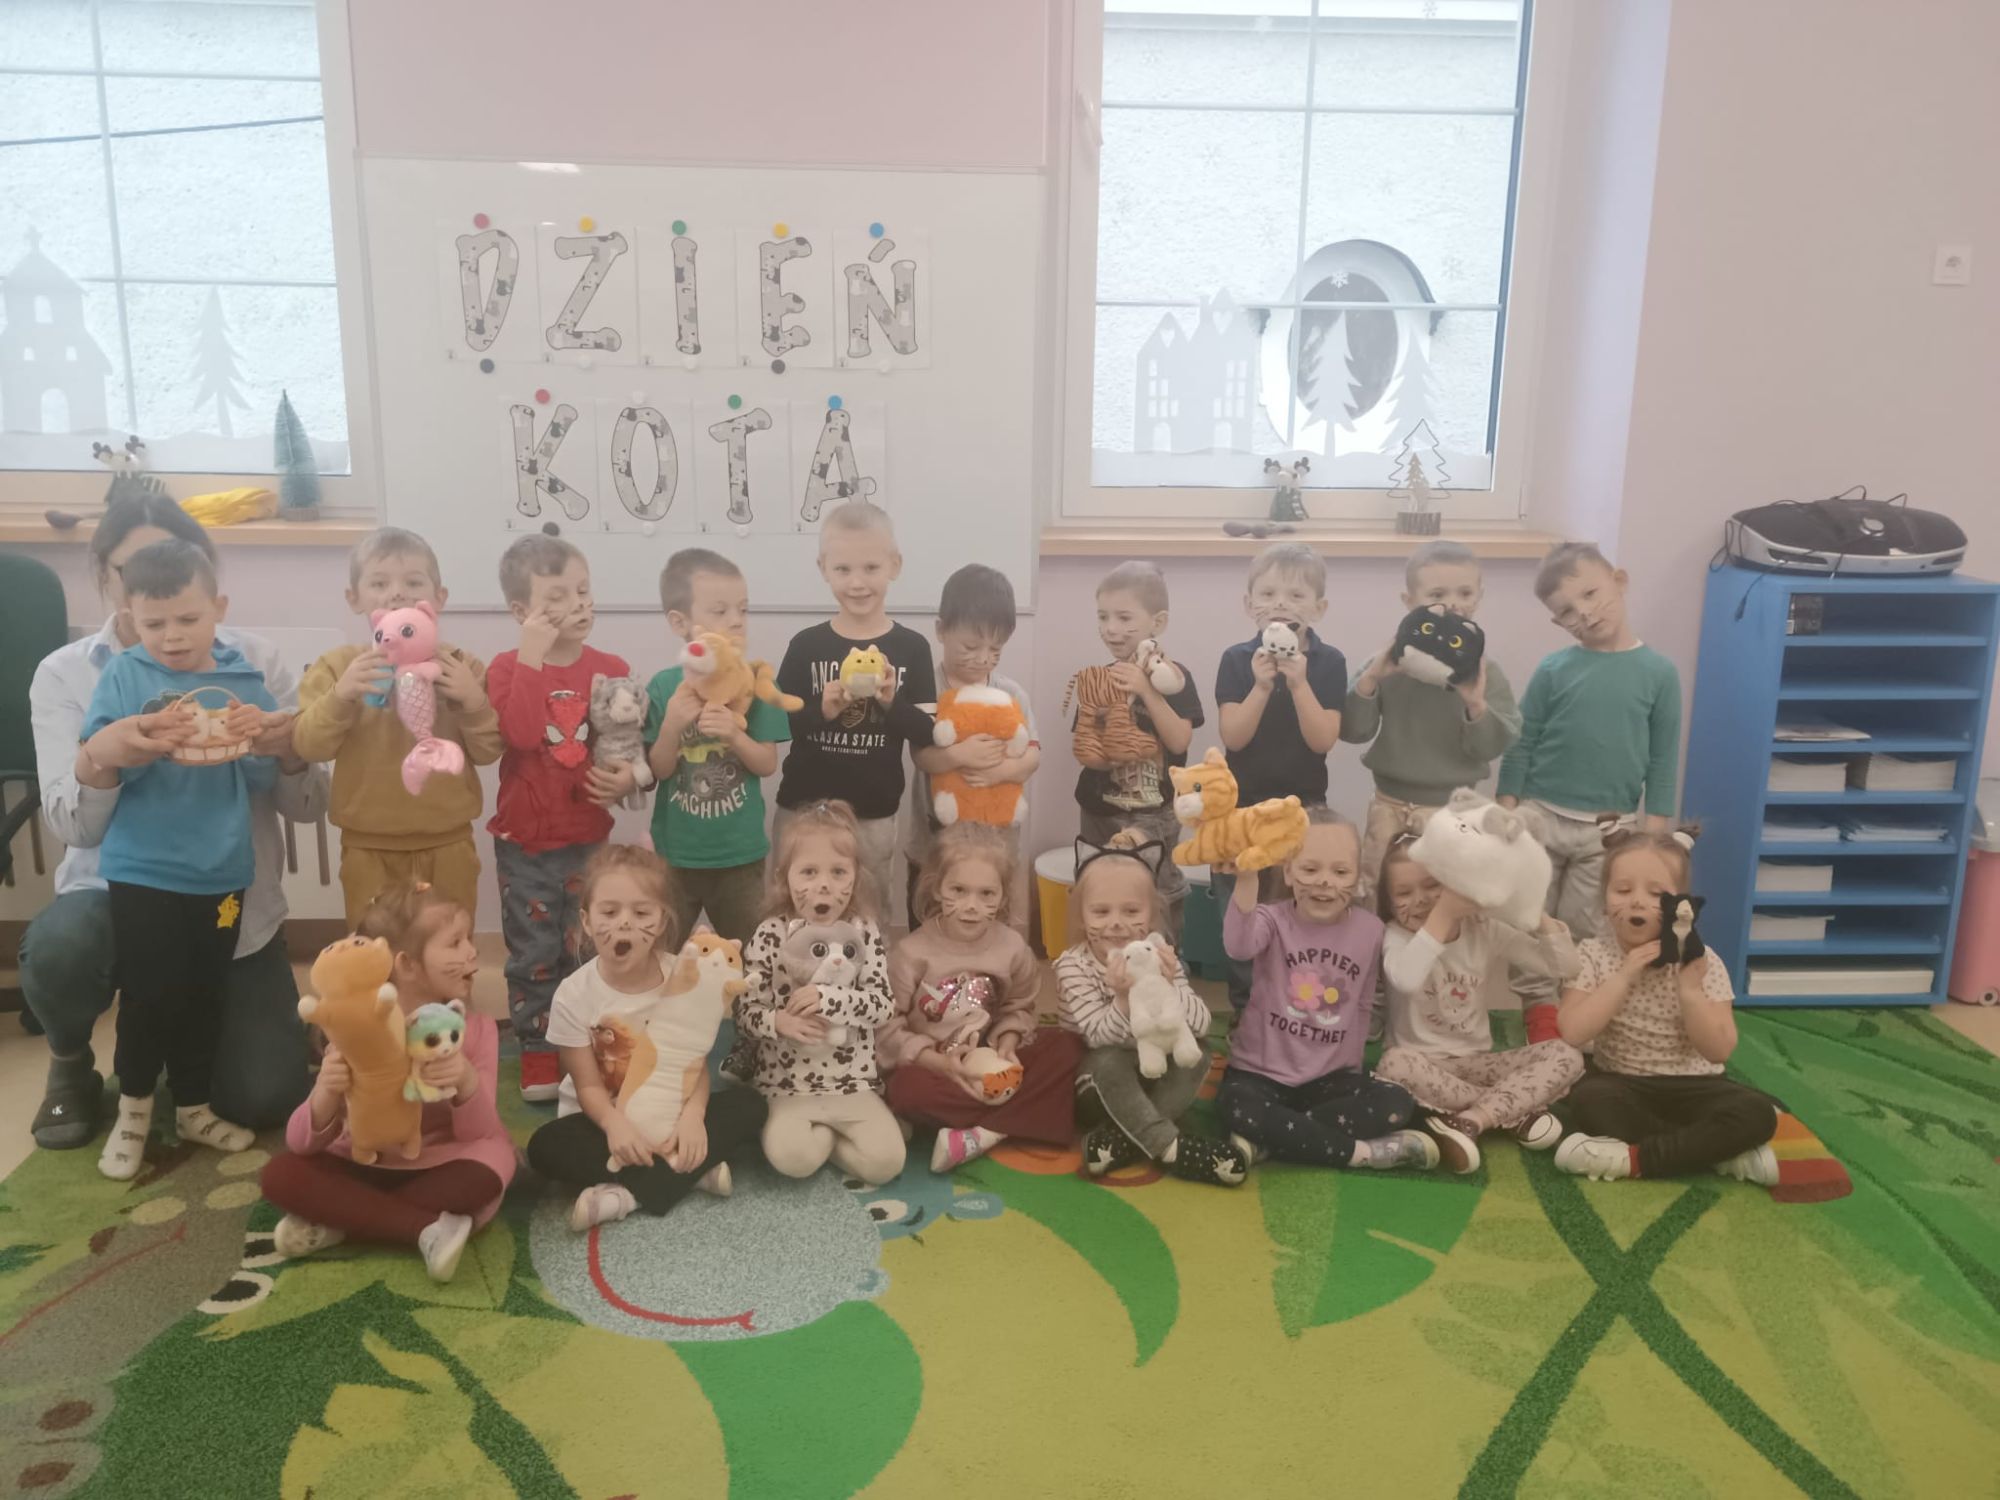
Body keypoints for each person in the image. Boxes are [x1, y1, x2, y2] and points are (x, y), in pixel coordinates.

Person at [22, 494, 320, 1151]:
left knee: (264, 1094)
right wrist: (101, 758)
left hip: (224, 890)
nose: (171, 626)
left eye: (184, 599)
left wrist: (286, 747)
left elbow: (302, 802)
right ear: (112, 583)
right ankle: (73, 1062)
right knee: (66, 951)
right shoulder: (78, 674)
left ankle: (191, 1070)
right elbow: (76, 828)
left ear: (212, 592)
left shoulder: (250, 667)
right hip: (120, 885)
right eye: (137, 573)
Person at [78, 539, 295, 1179]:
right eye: (154, 623)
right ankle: (134, 1111)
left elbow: (261, 781)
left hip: (222, 873)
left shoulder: (242, 681)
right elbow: (97, 757)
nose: (171, 637)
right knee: (148, 995)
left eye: (188, 619)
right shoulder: (124, 676)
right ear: (129, 618)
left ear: (218, 609)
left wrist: (264, 740)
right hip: (142, 871)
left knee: (205, 992)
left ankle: (194, 1107)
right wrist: (129, 745)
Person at [260, 883, 514, 1281]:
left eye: (468, 939)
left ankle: (344, 1221)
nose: (472, 952)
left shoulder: (475, 1029)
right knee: (281, 1175)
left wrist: (465, 1081)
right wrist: (326, 1091)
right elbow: (300, 1142)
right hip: (362, 1159)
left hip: (442, 1162)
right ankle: (422, 1228)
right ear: (407, 965)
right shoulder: (354, 1031)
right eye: (455, 942)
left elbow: (480, 1133)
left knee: (492, 1170)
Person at [526, 845, 769, 1230]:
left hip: (672, 1113)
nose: (624, 923)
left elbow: (694, 1063)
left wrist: (693, 1117)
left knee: (751, 1105)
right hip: (603, 1124)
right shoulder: (573, 995)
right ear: (587, 921)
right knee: (544, 1147)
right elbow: (587, 1086)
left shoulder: (683, 977)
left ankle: (628, 1192)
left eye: (641, 913)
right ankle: (684, 1173)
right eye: (610, 912)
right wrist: (615, 1126)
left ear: (660, 922)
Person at [292, 526, 502, 928]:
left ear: (439, 598)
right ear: (354, 598)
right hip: (367, 847)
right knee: (374, 953)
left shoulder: (462, 666)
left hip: (449, 843)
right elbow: (308, 746)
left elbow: (489, 751)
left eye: (413, 582)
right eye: (379, 583)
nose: (397, 594)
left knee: (449, 947)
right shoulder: (337, 667)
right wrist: (341, 695)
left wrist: (472, 701)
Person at [485, 536, 633, 1101]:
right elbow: (522, 734)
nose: (578, 605)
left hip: (589, 840)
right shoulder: (507, 668)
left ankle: (588, 1043)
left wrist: (626, 779)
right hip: (525, 844)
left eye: (583, 590)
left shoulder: (611, 669)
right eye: (557, 598)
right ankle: (539, 1048)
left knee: (588, 949)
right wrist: (531, 655)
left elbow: (625, 744)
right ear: (521, 611)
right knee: (533, 953)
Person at [1551, 828, 1781, 1185]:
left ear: (1681, 904)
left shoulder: (1704, 961)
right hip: (1623, 1083)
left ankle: (1637, 1159)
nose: (1637, 902)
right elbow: (1572, 1032)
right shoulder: (1592, 955)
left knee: (1757, 1113)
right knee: (1587, 1101)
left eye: (1657, 894)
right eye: (1622, 890)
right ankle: (1711, 1152)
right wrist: (1624, 976)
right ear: (1604, 899)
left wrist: (1690, 990)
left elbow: (1718, 1051)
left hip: (1698, 1086)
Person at [1216, 810, 1438, 1172]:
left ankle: (1272, 1138)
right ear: (1288, 872)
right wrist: (1246, 877)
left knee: (1396, 1103)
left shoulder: (1371, 931)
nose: (1324, 882)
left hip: (1330, 1081)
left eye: (1340, 872)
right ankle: (1362, 1154)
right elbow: (1238, 946)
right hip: (1259, 1075)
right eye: (1309, 869)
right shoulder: (1271, 919)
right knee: (1234, 1106)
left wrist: (1351, 1065)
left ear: (1358, 877)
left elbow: (1364, 1002)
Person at [1371, 835, 1584, 1173]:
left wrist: (1532, 911)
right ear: (1388, 900)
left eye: (1432, 886)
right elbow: (1406, 978)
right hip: (1420, 1065)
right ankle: (1514, 1112)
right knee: (1392, 1064)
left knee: (1566, 1055)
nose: (1421, 900)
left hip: (1477, 1064)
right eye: (1403, 893)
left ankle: (1472, 1119)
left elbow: (1565, 967)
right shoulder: (1394, 935)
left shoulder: (1484, 929)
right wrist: (1444, 913)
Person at [884, 825, 1081, 1171]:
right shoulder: (910, 953)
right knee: (904, 1091)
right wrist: (938, 1062)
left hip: (997, 1064)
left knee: (1067, 1047)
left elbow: (1020, 1007)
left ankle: (984, 1133)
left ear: (1003, 896)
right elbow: (886, 1029)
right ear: (936, 887)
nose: (971, 906)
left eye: (987, 894)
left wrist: (1008, 1041)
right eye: (958, 890)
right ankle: (1018, 1119)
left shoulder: (1013, 948)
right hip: (937, 1070)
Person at [1055, 837, 1246, 1185]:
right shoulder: (1073, 965)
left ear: (1153, 915)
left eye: (1132, 912)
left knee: (1199, 1053)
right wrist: (1122, 997)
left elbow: (1201, 1025)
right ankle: (1172, 1149)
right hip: (1096, 1083)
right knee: (1110, 1061)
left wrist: (1171, 984)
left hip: (1153, 1076)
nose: (1116, 923)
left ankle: (1123, 1139)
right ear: (1081, 916)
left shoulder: (1158, 956)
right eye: (1101, 912)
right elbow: (1098, 1039)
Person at [737, 799, 906, 1186]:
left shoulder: (864, 930)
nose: (824, 885)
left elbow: (882, 1006)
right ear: (784, 877)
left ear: (856, 877)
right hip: (787, 1083)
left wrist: (831, 1000)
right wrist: (778, 1021)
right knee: (793, 1160)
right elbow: (745, 1012)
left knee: (887, 1164)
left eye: (838, 871)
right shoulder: (769, 933)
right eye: (809, 872)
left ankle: (831, 1139)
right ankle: (826, 1139)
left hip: (851, 1083)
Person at [1342, 539, 1522, 898]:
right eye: (1437, 594)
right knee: (1377, 890)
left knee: (1448, 893)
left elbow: (1492, 747)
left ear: (1479, 597)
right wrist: (1371, 679)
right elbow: (1353, 730)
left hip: (1454, 810)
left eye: (1465, 593)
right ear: (1409, 601)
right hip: (1389, 806)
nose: (1453, 603)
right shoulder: (1385, 664)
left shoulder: (1487, 673)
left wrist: (1475, 705)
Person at [772, 501, 938, 890]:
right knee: (792, 905)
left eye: (871, 568)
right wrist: (822, 710)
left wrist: (890, 703)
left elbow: (928, 731)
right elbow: (776, 725)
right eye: (843, 569)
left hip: (873, 815)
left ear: (894, 565)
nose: (857, 583)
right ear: (823, 569)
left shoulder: (912, 648)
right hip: (802, 810)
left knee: (869, 910)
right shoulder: (806, 645)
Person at [1214, 543, 1345, 1009]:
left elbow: (1323, 740)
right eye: (1267, 594)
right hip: (1241, 808)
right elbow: (1234, 736)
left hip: (1304, 807)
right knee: (1240, 906)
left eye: (1296, 595)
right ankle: (1246, 1004)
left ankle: (1295, 999)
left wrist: (1299, 682)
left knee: (1298, 905)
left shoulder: (1329, 663)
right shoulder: (1236, 659)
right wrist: (1262, 685)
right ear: (1249, 605)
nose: (1280, 604)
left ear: (1318, 609)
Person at [643, 547, 790, 947]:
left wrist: (734, 736)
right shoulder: (662, 687)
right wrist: (671, 726)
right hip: (676, 855)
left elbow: (766, 764)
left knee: (750, 954)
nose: (736, 620)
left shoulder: (756, 682)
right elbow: (659, 770)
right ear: (680, 622)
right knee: (663, 952)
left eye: (743, 609)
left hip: (740, 855)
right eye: (720, 611)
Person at [903, 564, 1040, 932]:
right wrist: (957, 756)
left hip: (996, 844)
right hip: (934, 841)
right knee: (930, 923)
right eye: (970, 646)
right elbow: (920, 755)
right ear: (941, 630)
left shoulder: (1010, 693)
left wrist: (1001, 772)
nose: (982, 658)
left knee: (993, 928)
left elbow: (1032, 755)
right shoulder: (926, 688)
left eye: (995, 649)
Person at [1070, 561, 1201, 939]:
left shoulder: (1175, 679)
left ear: (1157, 623)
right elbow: (1086, 748)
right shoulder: (1099, 678)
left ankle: (1164, 960)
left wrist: (1145, 690)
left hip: (1154, 812)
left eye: (1124, 617)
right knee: (1098, 886)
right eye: (1103, 617)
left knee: (1156, 892)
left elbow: (1179, 741)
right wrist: (1110, 750)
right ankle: (1100, 963)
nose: (1111, 628)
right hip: (1099, 809)